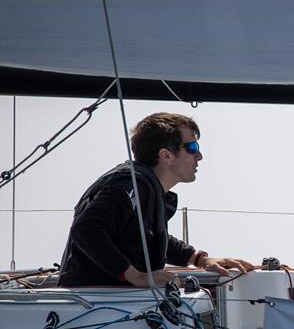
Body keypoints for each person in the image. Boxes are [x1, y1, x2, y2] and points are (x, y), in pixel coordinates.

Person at [58, 112, 254, 287]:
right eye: (192, 147)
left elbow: (145, 237)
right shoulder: (130, 184)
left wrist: (199, 259)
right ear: (166, 155)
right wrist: (136, 276)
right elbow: (86, 228)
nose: (199, 155)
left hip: (110, 305)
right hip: (96, 306)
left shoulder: (144, 186)